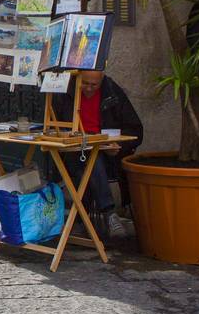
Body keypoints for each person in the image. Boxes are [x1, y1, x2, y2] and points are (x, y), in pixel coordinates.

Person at [49, 72, 144, 241]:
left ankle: (80, 220)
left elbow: (135, 130)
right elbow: (52, 126)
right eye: (85, 83)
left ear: (102, 81)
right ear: (77, 78)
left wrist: (118, 146)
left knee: (93, 158)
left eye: (94, 85)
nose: (89, 88)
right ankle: (108, 214)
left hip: (107, 157)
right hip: (73, 152)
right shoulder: (64, 92)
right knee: (89, 158)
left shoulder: (112, 92)